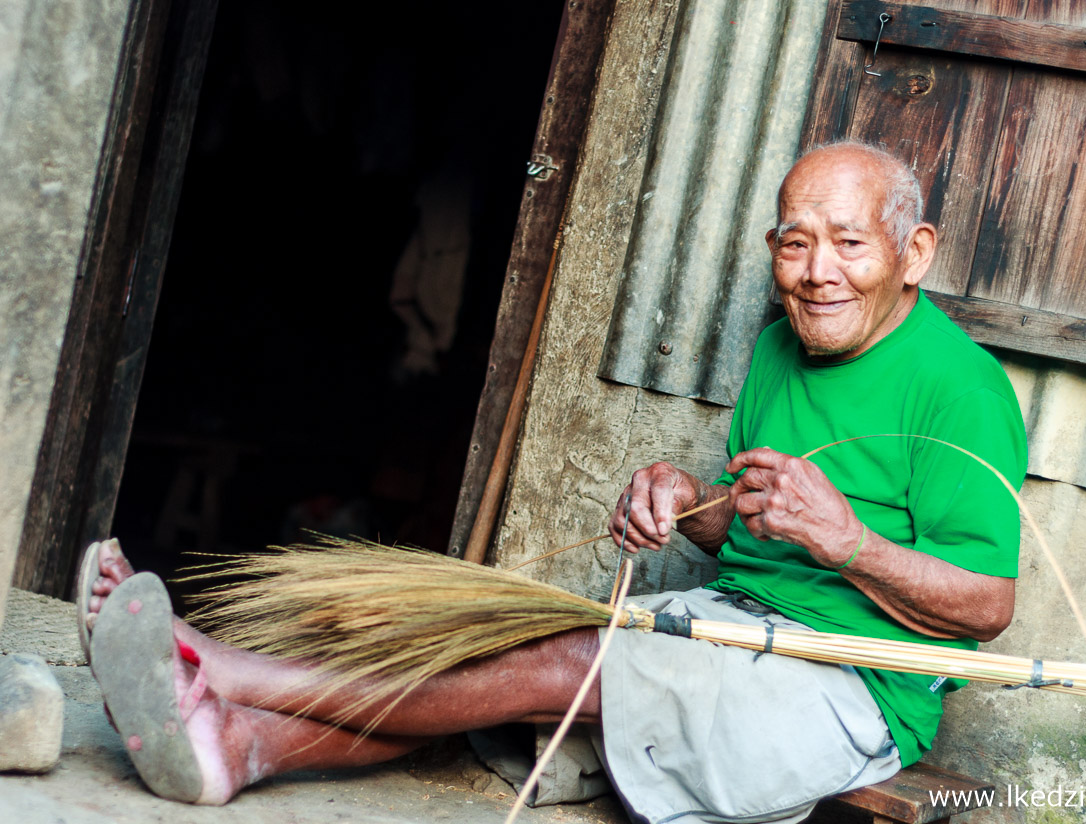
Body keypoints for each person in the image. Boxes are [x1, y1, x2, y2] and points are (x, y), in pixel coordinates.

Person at [80, 141, 1026, 823]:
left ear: (916, 252)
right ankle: (234, 750)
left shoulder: (961, 388)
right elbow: (747, 530)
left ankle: (231, 671)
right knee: (511, 657)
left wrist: (846, 540)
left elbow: (988, 607)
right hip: (739, 628)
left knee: (570, 665)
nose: (818, 273)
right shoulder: (782, 343)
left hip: (853, 691)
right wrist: (683, 499)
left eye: (850, 244)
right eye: (794, 243)